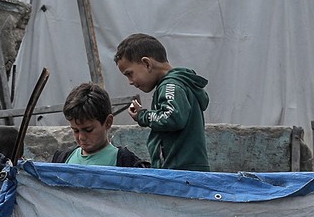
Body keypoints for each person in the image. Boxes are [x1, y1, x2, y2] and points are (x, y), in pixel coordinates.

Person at [114, 32, 210, 172]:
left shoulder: (170, 86)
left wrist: (143, 116)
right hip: (188, 169)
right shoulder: (181, 84)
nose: (130, 82)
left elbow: (172, 117)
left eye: (130, 73)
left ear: (147, 63)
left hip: (179, 171)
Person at [49, 82, 150, 168]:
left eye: (88, 130)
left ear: (108, 122)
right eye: (75, 130)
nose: (81, 137)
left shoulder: (126, 162)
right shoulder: (62, 159)